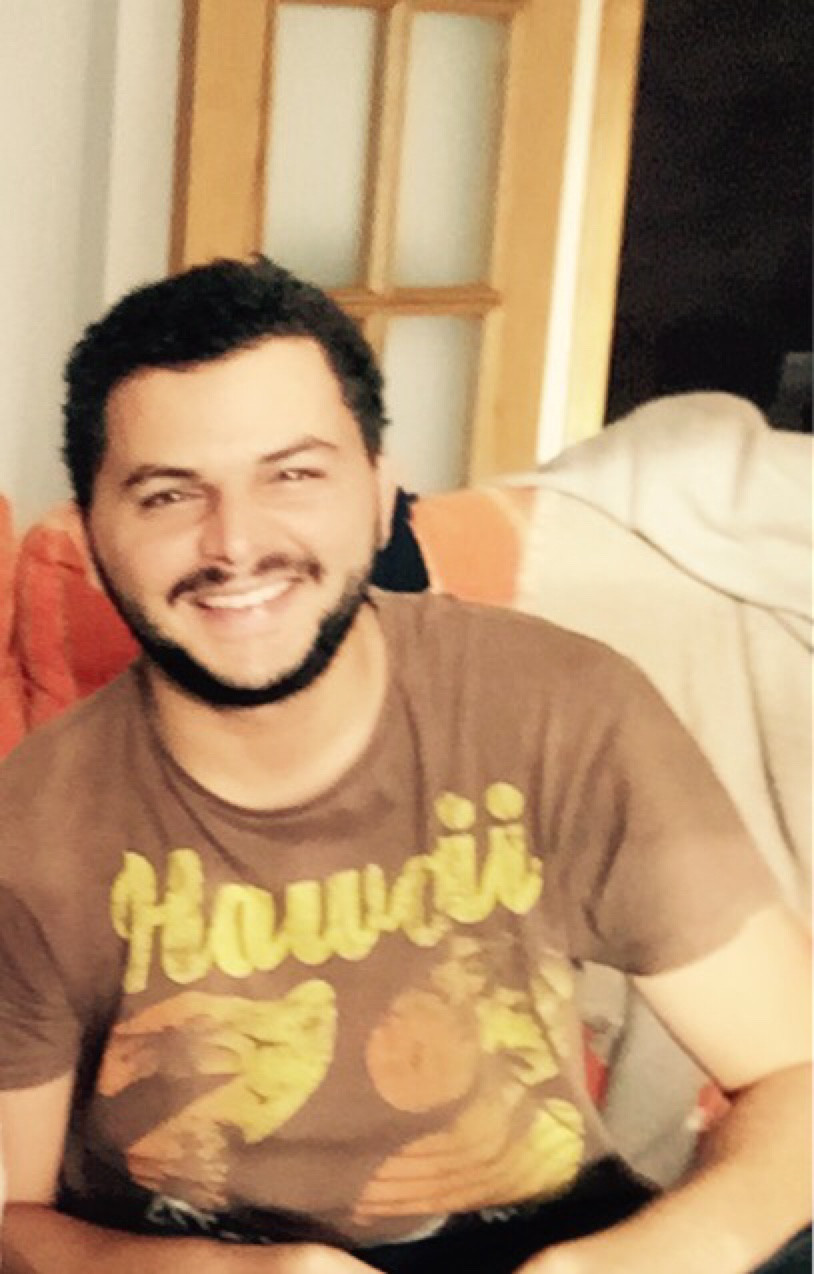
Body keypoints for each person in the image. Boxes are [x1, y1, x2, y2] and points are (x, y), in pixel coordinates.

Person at [0, 257, 810, 1274]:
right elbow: (10, 1213)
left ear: (381, 498)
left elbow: (795, 1070)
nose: (235, 542)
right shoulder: (30, 827)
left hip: (555, 1239)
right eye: (169, 494)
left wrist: (638, 1261)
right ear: (93, 531)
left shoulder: (563, 709)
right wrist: (218, 1271)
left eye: (294, 475)